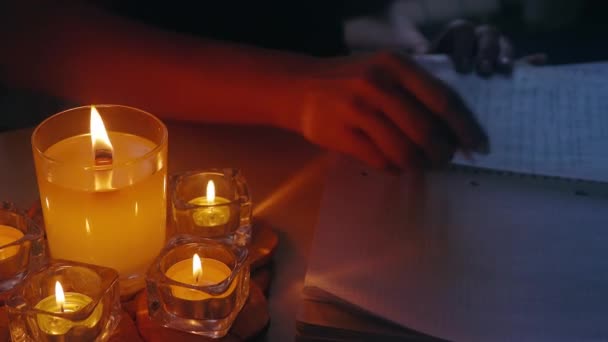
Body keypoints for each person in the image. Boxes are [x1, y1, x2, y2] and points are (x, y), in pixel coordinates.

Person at [0, 1, 497, 172]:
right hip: (192, 141)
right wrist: (296, 91)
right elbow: (25, 32)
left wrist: (416, 48)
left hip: (333, 146)